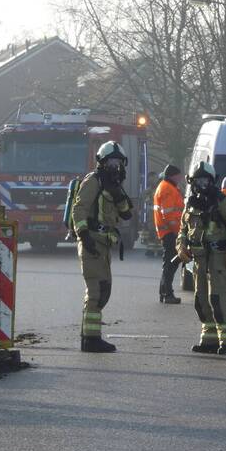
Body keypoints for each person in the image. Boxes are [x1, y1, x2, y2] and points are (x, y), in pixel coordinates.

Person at [71, 141, 134, 354]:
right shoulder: (93, 181)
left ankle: (89, 336)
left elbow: (126, 213)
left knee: (104, 291)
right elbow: (78, 210)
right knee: (96, 291)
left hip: (105, 244)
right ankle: (91, 340)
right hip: (92, 242)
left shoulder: (113, 184)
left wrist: (118, 193)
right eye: (112, 161)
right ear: (103, 162)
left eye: (119, 161)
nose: (116, 165)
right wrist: (83, 234)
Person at [177, 162, 226, 354]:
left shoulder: (222, 201)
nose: (202, 184)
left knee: (218, 298)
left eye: (205, 180)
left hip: (219, 258)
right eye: (198, 180)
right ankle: (209, 339)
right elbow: (183, 229)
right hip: (199, 259)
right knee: (201, 300)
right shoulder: (190, 205)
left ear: (212, 181)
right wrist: (181, 247)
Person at [153, 164, 186, 304]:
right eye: (179, 175)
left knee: (169, 263)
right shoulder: (167, 189)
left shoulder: (167, 187)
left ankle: (164, 292)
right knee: (171, 264)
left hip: (168, 232)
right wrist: (178, 232)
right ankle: (167, 294)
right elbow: (168, 215)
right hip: (170, 232)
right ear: (174, 175)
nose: (180, 177)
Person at [141, 171, 159, 257]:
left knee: (159, 232)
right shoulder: (147, 191)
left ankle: (160, 250)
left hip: (160, 215)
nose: (153, 181)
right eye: (151, 179)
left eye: (154, 178)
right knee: (151, 232)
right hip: (151, 215)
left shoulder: (160, 189)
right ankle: (150, 250)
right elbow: (145, 199)